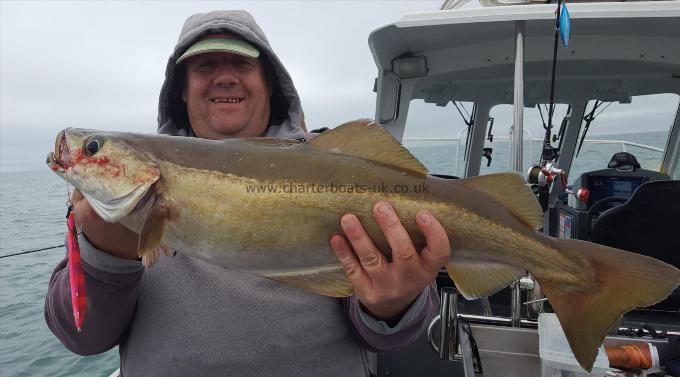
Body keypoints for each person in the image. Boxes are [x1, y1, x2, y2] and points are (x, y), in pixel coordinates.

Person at [45, 10, 451, 377]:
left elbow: (387, 336)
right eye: (204, 66)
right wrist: (107, 256)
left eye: (241, 62)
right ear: (181, 90)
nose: (224, 77)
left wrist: (392, 305)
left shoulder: (334, 164)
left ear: (271, 85)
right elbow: (83, 337)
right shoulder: (107, 212)